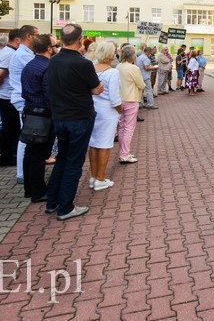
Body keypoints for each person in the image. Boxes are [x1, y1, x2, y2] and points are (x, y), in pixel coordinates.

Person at [46, 23, 103, 220]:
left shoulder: (53, 60)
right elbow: (97, 89)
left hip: (60, 117)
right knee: (74, 162)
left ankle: (52, 201)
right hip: (79, 117)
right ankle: (66, 206)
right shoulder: (83, 63)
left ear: (61, 39)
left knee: (62, 157)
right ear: (81, 40)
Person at [19, 34, 57, 202]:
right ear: (49, 49)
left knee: (31, 151)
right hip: (42, 113)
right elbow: (50, 93)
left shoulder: (30, 64)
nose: (56, 49)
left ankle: (30, 187)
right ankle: (38, 190)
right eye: (55, 46)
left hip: (30, 109)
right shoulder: (47, 67)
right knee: (39, 152)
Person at [88, 42, 122, 191]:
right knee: (105, 144)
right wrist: (121, 111)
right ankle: (100, 178)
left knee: (93, 143)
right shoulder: (112, 72)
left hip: (92, 109)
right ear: (110, 55)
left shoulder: (90, 68)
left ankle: (94, 176)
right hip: (107, 111)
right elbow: (115, 98)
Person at [10, 25, 38, 186]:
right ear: (29, 36)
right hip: (24, 100)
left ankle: (25, 171)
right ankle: (22, 173)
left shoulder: (25, 53)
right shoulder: (23, 55)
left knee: (28, 136)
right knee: (27, 137)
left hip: (24, 98)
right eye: (36, 35)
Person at [0, 28, 20, 167]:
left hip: (6, 94)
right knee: (10, 127)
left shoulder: (9, 52)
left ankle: (9, 154)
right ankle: (7, 156)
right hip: (6, 95)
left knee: (11, 126)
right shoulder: (9, 54)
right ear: (17, 40)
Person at [117, 45, 145, 164]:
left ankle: (123, 152)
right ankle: (124, 154)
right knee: (129, 128)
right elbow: (141, 85)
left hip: (120, 99)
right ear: (132, 56)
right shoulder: (134, 68)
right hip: (131, 99)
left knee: (122, 127)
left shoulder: (118, 66)